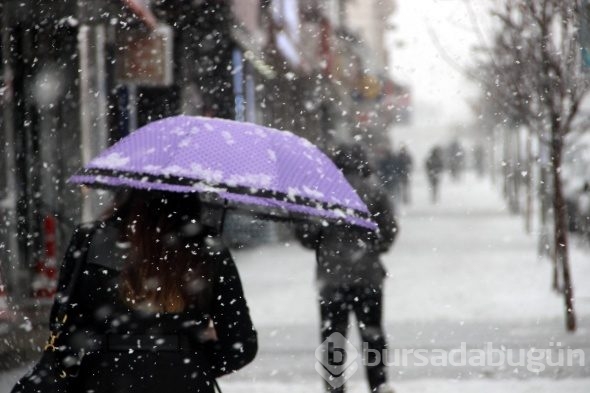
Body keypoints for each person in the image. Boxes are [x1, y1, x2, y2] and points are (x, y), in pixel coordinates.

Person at [12, 190, 257, 393]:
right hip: (184, 380)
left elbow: (66, 326)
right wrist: (192, 357)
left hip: (106, 379)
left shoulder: (91, 239)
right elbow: (240, 346)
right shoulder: (207, 247)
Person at [296, 144, 398, 393]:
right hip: (368, 276)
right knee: (372, 335)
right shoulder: (375, 192)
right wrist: (373, 248)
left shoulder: (321, 194)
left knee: (333, 339)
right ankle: (379, 385)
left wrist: (324, 241)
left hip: (331, 279)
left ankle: (334, 388)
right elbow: (389, 232)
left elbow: (306, 236)